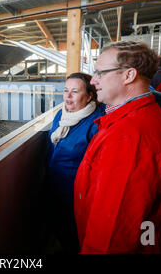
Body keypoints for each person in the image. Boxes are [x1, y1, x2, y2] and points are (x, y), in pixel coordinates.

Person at [74, 41, 161, 253]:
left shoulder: (131, 139)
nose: (93, 80)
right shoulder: (129, 120)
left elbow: (113, 234)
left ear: (128, 75)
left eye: (100, 73)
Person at [46, 72, 104, 253]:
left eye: (75, 92)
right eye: (65, 91)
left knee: (76, 232)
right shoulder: (60, 115)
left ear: (89, 96)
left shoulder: (96, 123)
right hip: (56, 185)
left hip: (78, 192)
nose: (68, 96)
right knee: (60, 227)